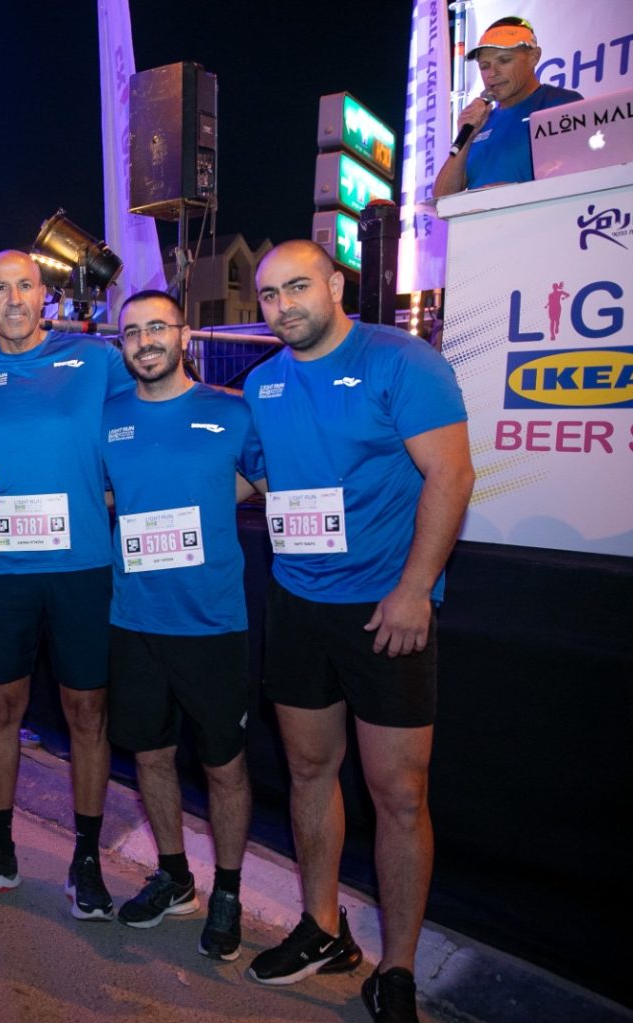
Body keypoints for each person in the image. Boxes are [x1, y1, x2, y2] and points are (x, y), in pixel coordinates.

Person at [243, 242, 473, 1023]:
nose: (283, 305)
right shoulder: (262, 382)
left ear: (335, 285)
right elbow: (254, 477)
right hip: (297, 605)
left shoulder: (401, 360)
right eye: (269, 295)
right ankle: (323, 928)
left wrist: (414, 589)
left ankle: (397, 968)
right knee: (310, 771)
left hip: (386, 610)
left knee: (399, 795)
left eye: (297, 287)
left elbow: (452, 474)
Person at [0, 250, 133, 920]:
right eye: (0, 287)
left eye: (25, 285)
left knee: (88, 713)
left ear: (44, 294)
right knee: (1, 710)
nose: (15, 297)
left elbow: (150, 416)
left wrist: (126, 488)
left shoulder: (96, 359)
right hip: (1, 569)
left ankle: (87, 858)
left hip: (83, 567)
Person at [100, 291, 263, 961]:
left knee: (224, 766)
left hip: (213, 622)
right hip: (133, 620)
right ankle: (174, 876)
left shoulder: (231, 411)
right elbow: (102, 496)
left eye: (157, 327)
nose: (145, 341)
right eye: (132, 332)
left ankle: (228, 890)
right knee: (150, 755)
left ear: (184, 334)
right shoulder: (109, 417)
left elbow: (269, 485)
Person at [434, 18, 582, 197]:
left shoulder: (561, 103)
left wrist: (514, 194)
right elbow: (442, 198)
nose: (492, 73)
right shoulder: (480, 122)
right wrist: (466, 137)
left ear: (533, 58)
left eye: (504, 60)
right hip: (480, 216)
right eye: (484, 66)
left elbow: (581, 177)